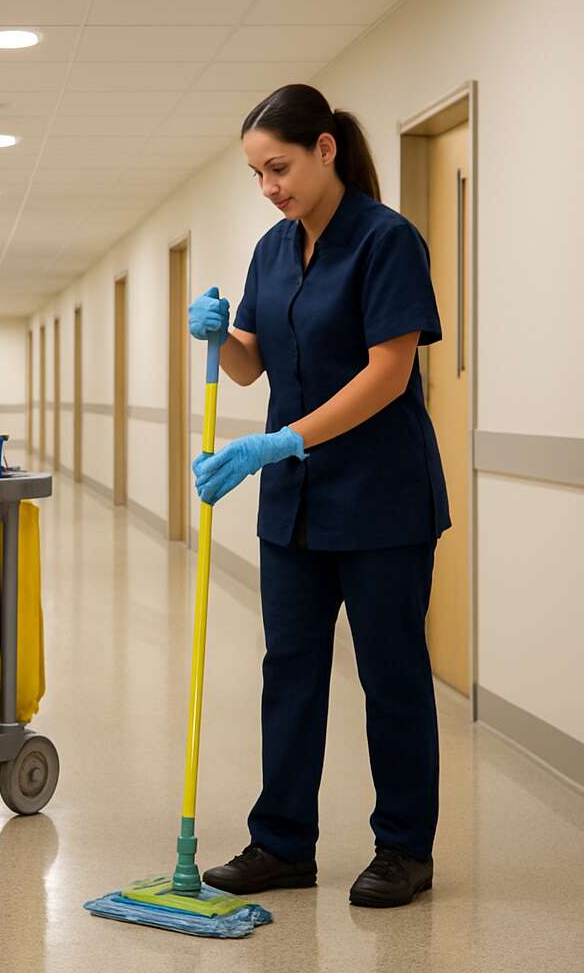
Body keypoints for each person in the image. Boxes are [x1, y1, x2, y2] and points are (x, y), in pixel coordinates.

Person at [189, 84, 450, 908]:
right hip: (296, 508)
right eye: (258, 175)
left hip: (383, 502)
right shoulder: (273, 250)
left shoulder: (387, 240)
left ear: (325, 149)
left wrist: (283, 440)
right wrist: (213, 333)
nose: (270, 186)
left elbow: (390, 372)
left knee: (392, 676)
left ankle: (405, 849)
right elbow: (250, 364)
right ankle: (282, 843)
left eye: (280, 166)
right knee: (290, 670)